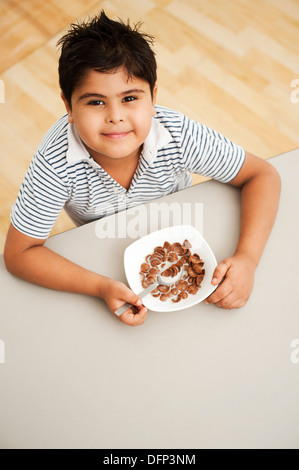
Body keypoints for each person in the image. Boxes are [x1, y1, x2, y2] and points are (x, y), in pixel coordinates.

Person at [4, 11, 281, 327]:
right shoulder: (55, 162)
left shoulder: (176, 133)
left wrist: (248, 258)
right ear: (68, 106)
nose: (115, 117)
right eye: (95, 102)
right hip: (105, 250)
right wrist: (99, 286)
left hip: (181, 227)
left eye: (130, 98)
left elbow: (263, 175)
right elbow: (19, 253)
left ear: (153, 99)